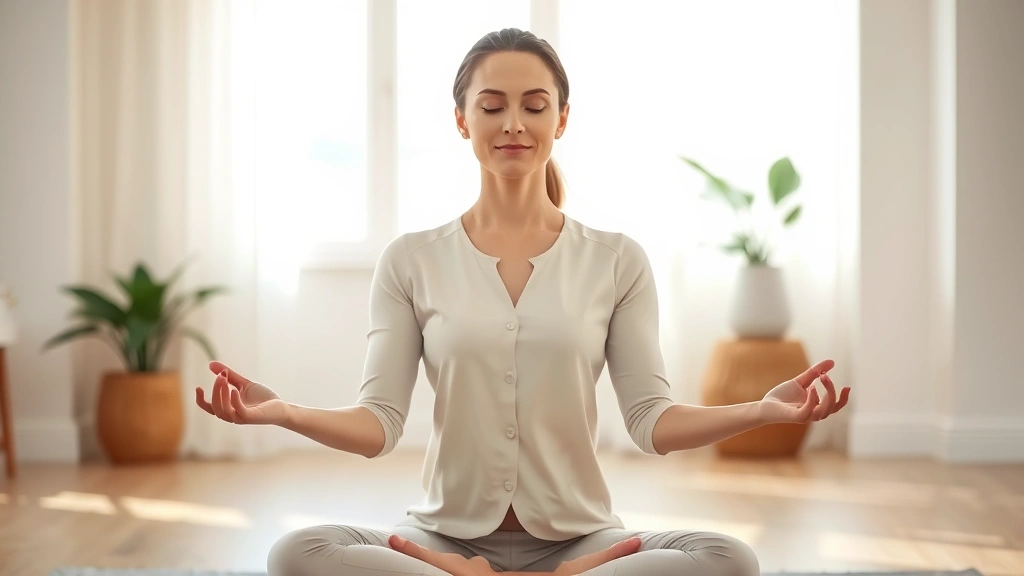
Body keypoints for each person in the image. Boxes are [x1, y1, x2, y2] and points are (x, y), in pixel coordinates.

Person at [195, 27, 851, 576]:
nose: (514, 123)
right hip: (444, 541)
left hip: (582, 545)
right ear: (462, 120)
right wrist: (282, 412)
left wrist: (762, 409)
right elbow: (380, 426)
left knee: (726, 558)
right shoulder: (410, 260)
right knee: (298, 552)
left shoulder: (616, 260)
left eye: (535, 106)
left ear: (561, 118)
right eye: (492, 106)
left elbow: (650, 421)